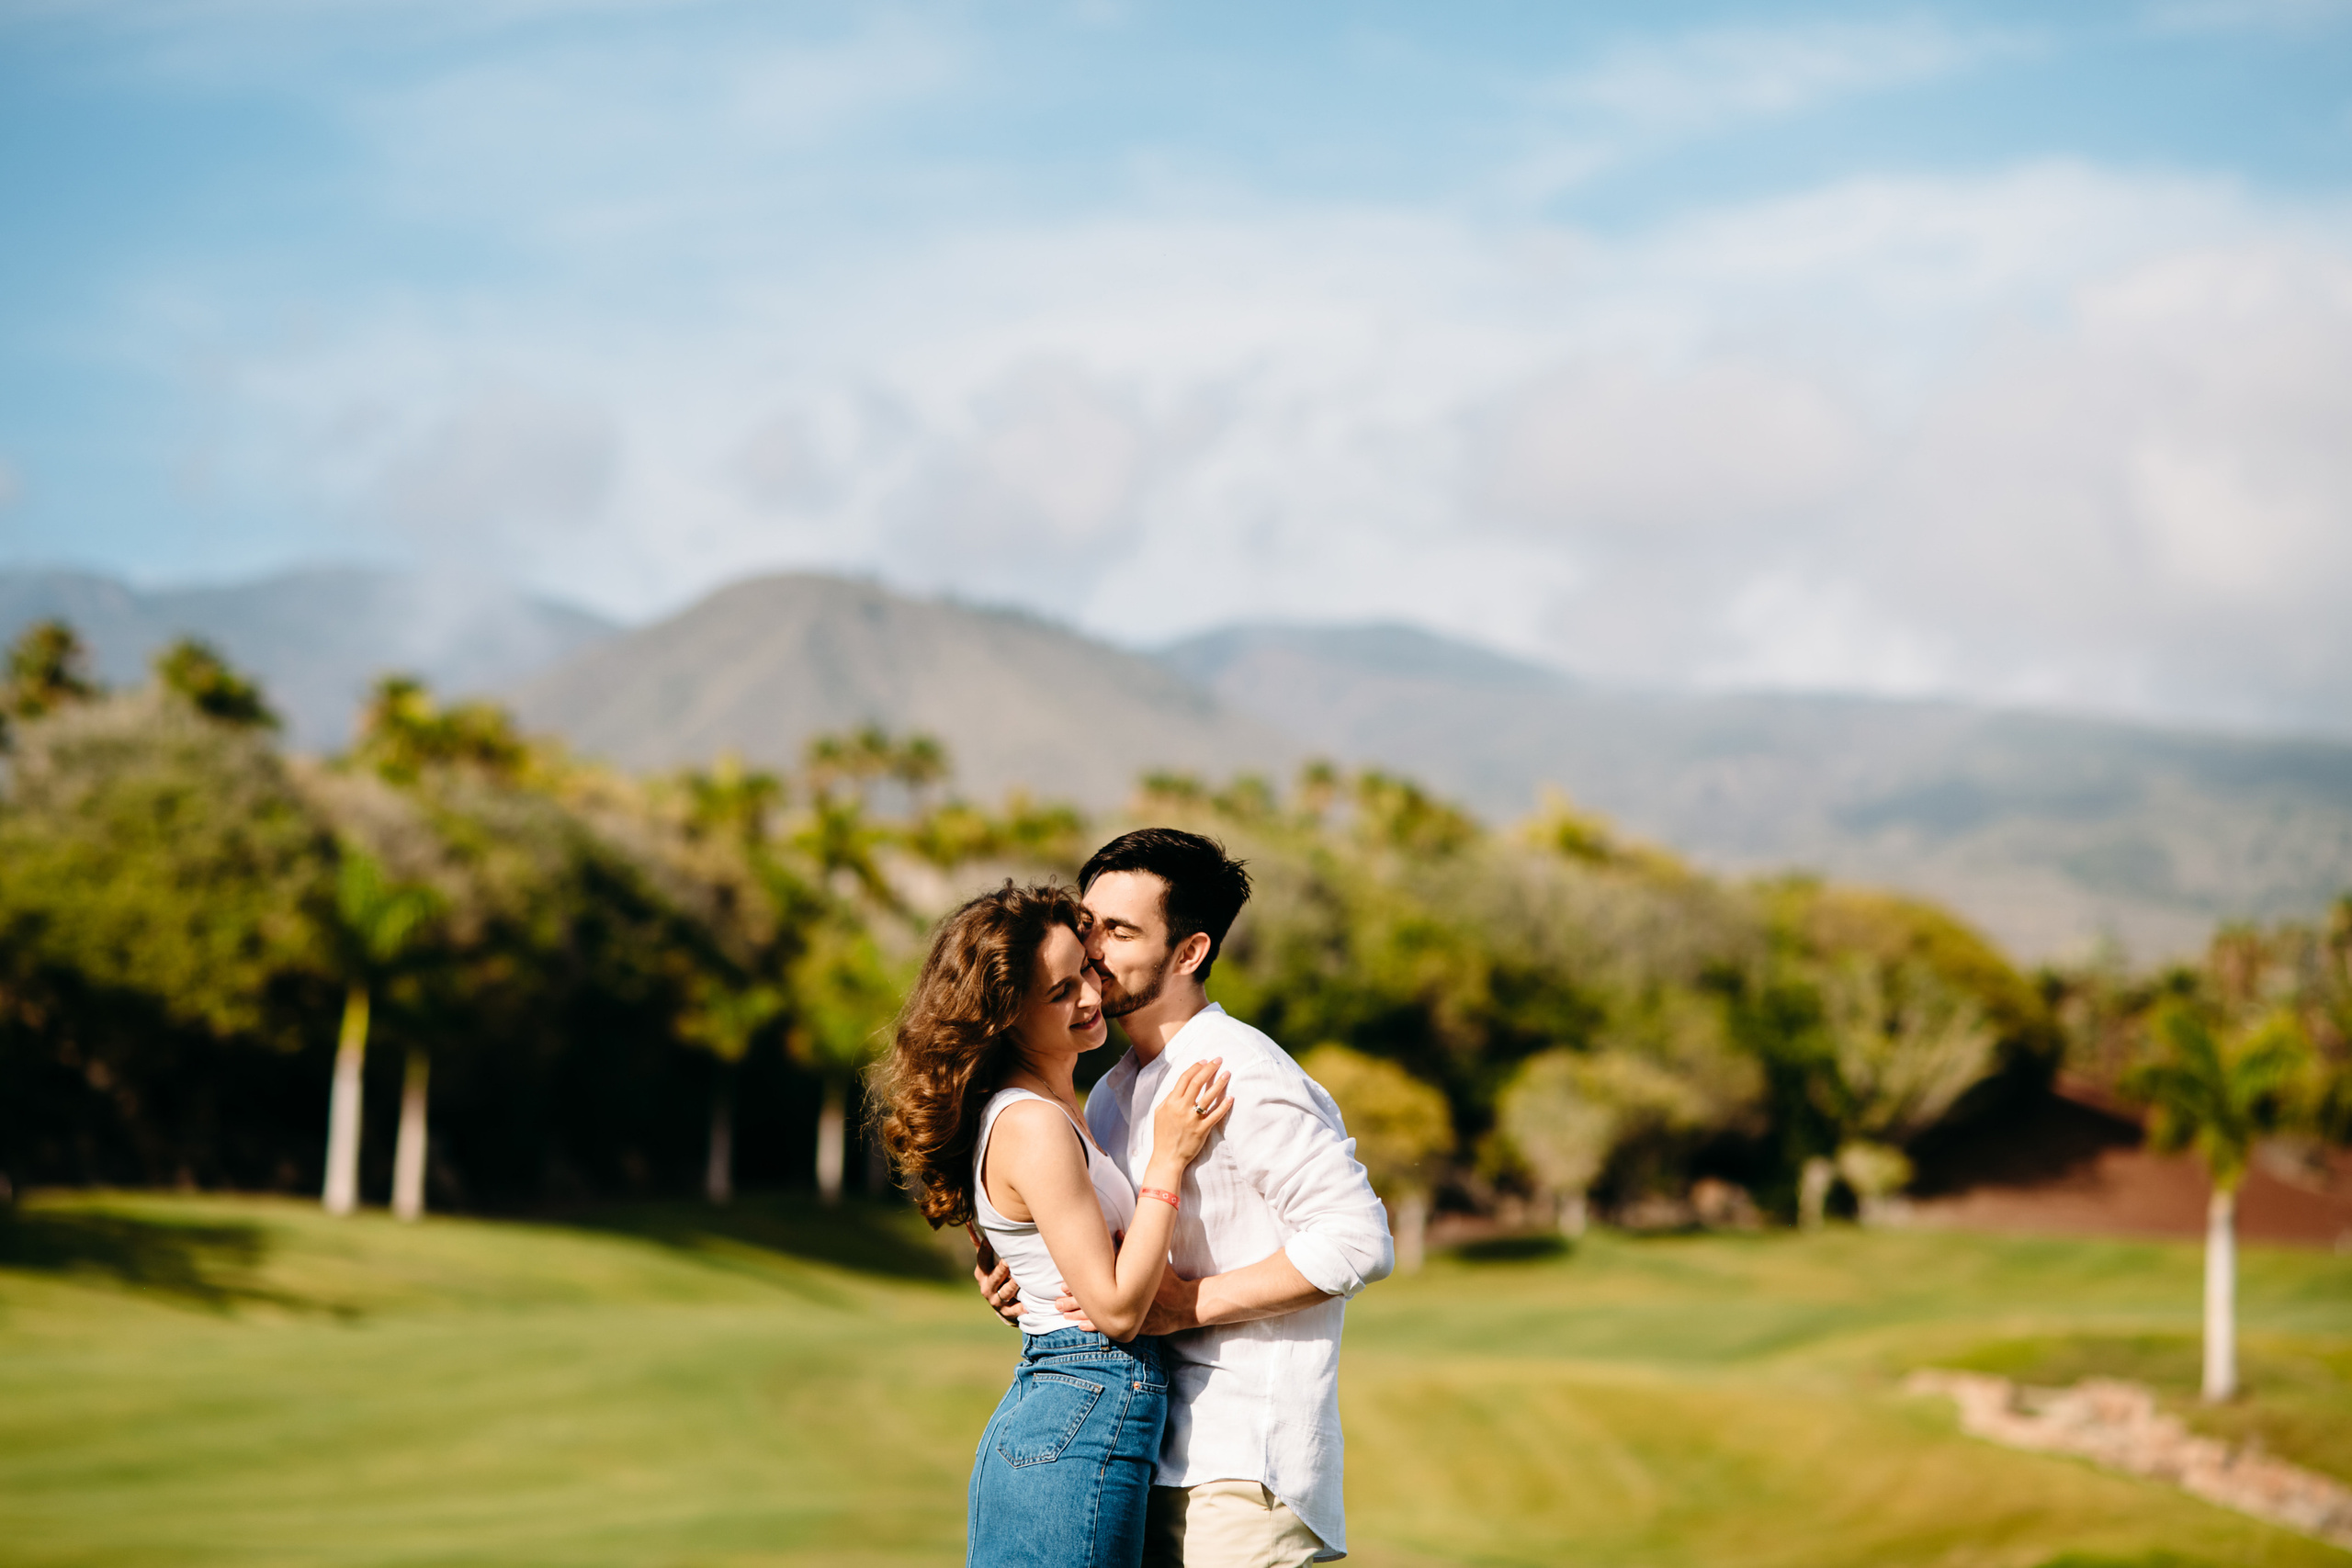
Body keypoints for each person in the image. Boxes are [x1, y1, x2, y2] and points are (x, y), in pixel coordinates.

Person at [976, 829, 1395, 1566]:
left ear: (1190, 951)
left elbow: (1359, 1237)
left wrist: (1185, 1304)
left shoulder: (1242, 1070)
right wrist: (1026, 1269)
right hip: (1143, 1451)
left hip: (1242, 1467)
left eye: (1122, 930)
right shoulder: (1108, 1093)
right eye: (1089, 924)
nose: (1094, 947)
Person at [871, 881, 1235, 1568]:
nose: (1091, 998)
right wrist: (1169, 1158)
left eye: (1088, 972)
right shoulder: (1034, 1124)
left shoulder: (1064, 1111)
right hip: (1081, 1408)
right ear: (1005, 1015)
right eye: (1061, 992)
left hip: (1068, 1406)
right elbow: (1120, 1311)